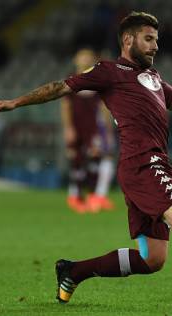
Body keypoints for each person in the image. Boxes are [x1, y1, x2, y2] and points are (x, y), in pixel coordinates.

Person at [0, 11, 172, 308]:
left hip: (147, 164)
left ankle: (73, 271)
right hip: (143, 161)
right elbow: (60, 87)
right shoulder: (109, 71)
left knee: (152, 258)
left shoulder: (152, 76)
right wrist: (15, 102)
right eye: (148, 39)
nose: (155, 46)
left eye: (156, 40)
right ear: (128, 40)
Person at [61, 49, 116, 213]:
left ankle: (94, 196)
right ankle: (75, 196)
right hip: (77, 127)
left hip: (94, 128)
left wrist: (107, 128)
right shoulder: (71, 80)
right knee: (77, 160)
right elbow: (65, 105)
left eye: (88, 57)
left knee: (96, 159)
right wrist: (68, 127)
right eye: (82, 56)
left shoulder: (98, 81)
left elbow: (104, 106)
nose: (85, 59)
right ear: (75, 59)